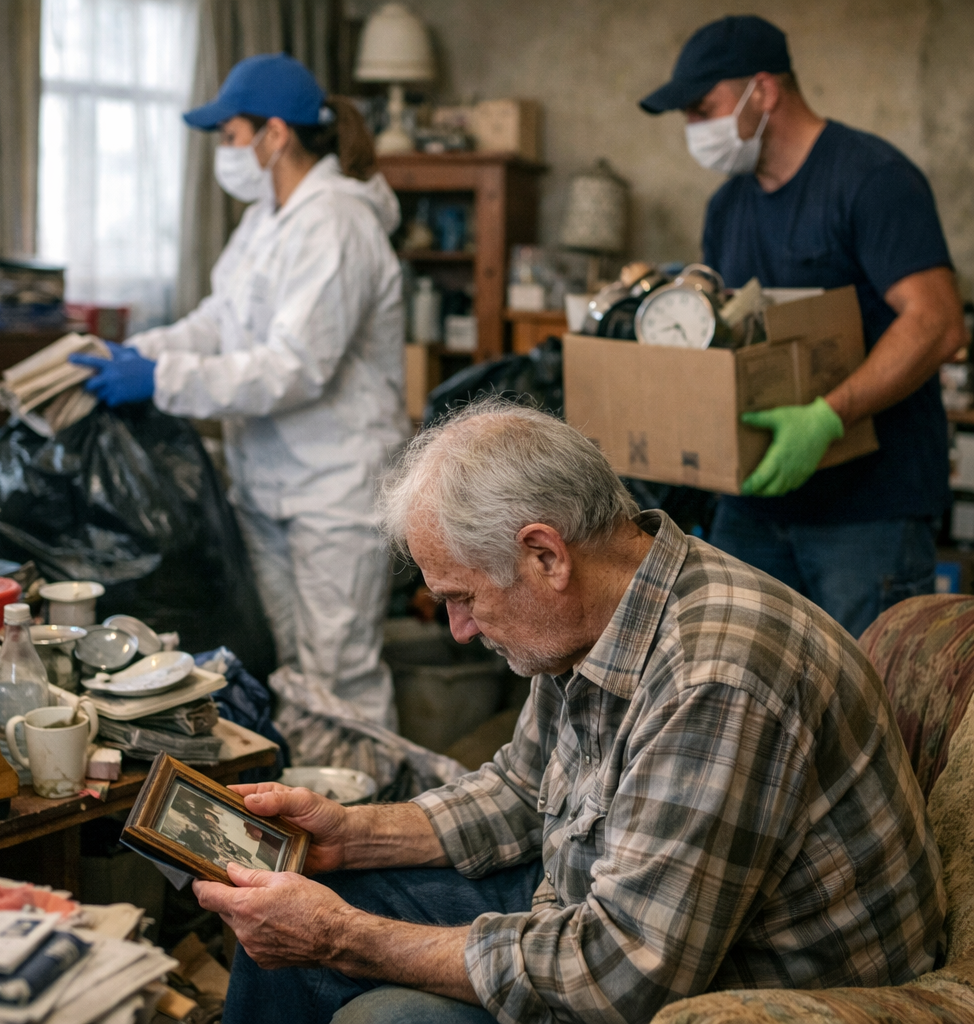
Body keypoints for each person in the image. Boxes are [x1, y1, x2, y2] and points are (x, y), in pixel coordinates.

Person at [193, 403, 944, 1024]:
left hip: (744, 992)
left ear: (545, 555)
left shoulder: (716, 680)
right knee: (295, 914)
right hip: (611, 910)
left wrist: (341, 940)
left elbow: (621, 976)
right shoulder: (592, 610)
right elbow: (524, 790)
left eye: (461, 598)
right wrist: (354, 836)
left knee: (376, 1008)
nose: (458, 629)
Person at [71, 54, 409, 727]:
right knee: (289, 665)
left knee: (339, 673)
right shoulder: (266, 219)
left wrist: (161, 380)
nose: (226, 153)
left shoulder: (338, 221)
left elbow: (294, 366)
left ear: (274, 135)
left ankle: (373, 816)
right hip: (269, 482)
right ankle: (313, 810)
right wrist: (148, 349)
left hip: (333, 487)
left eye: (230, 136)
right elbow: (219, 320)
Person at [639, 16, 967, 638]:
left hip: (868, 509)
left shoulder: (871, 180)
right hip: (754, 501)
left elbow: (938, 323)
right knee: (746, 687)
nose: (694, 130)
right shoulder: (727, 206)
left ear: (763, 91)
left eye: (702, 107)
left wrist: (827, 417)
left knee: (869, 704)